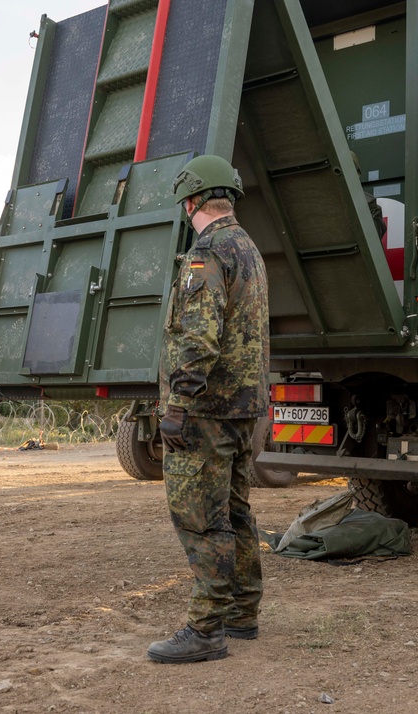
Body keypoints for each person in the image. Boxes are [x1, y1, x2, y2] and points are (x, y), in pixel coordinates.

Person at [146, 156, 270, 664]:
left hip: (207, 412)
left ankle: (206, 628)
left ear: (191, 200)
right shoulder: (249, 247)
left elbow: (198, 337)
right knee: (236, 511)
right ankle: (242, 613)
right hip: (245, 409)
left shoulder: (208, 251)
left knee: (201, 518)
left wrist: (176, 403)